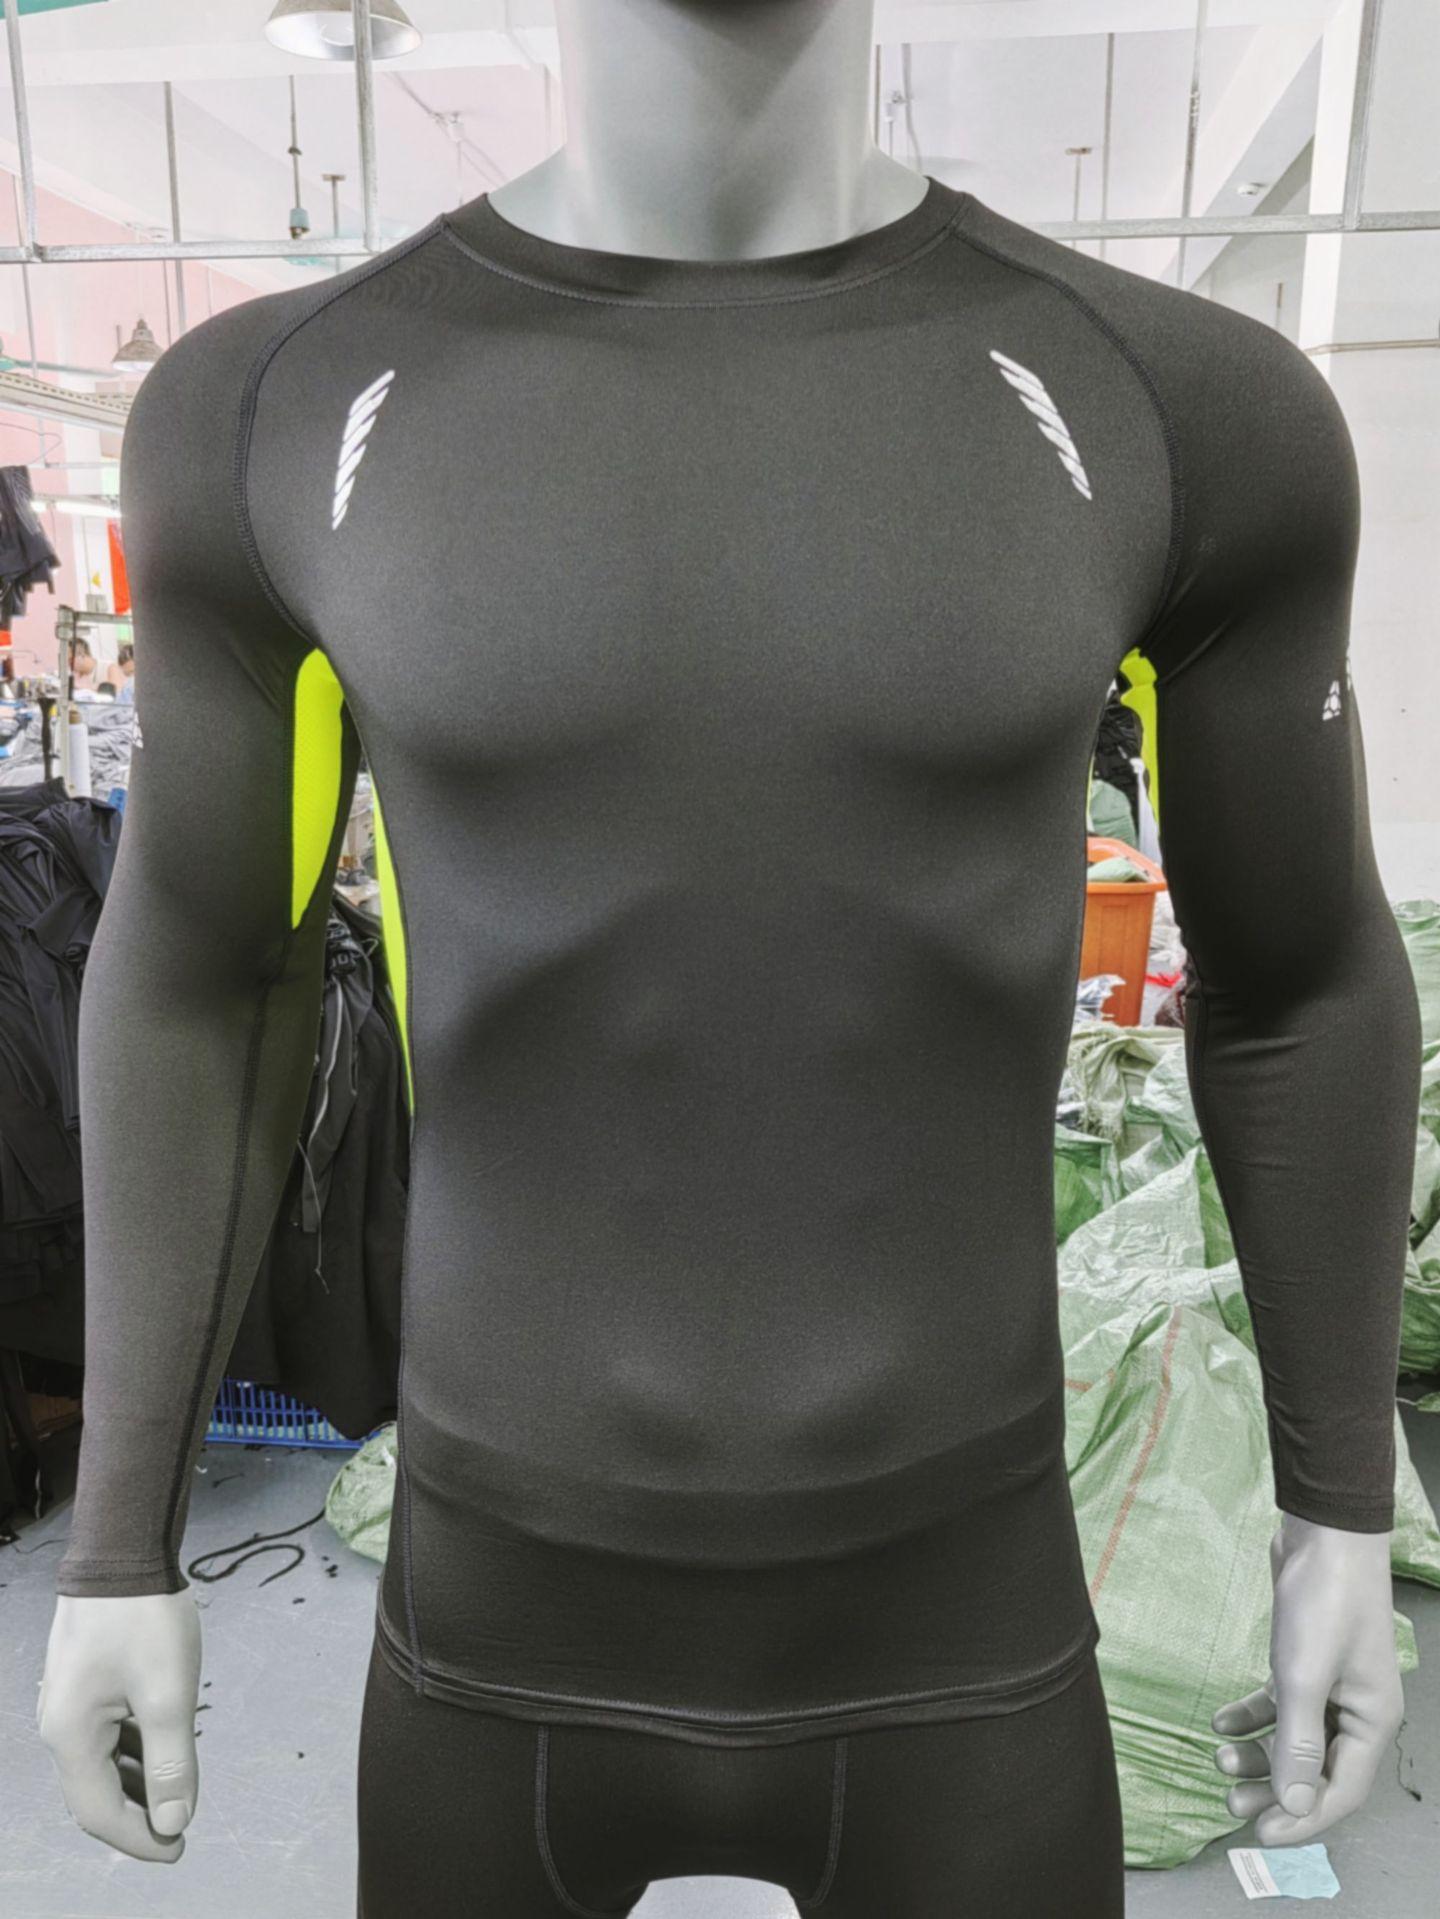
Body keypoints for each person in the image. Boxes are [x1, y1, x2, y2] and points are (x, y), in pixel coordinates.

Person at [38, 3, 1420, 1915]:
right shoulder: (276, 406)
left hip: (967, 1651)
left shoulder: (1180, 405)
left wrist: (1337, 1507)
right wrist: (119, 1539)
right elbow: (205, 976)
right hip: (495, 1652)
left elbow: (1303, 982)